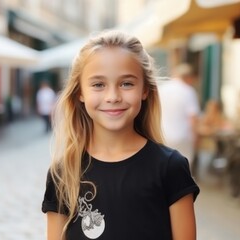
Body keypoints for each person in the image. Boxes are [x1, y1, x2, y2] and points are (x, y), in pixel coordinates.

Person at [42, 30, 199, 240]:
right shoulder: (63, 173)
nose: (113, 97)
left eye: (126, 83)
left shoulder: (171, 167)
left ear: (145, 90)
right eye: (98, 85)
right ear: (80, 92)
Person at [157, 63, 201, 172]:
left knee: (163, 169)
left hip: (162, 134)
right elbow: (193, 118)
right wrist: (196, 137)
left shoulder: (162, 89)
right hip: (183, 137)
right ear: (188, 77)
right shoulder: (188, 91)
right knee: (183, 171)